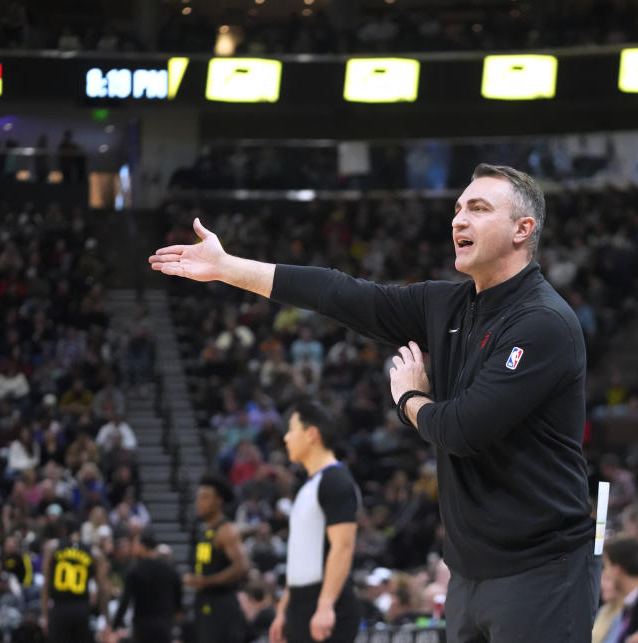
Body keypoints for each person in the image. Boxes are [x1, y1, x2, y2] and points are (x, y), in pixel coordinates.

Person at [150, 164, 595, 641]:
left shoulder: (542, 322)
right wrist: (227, 268)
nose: (459, 220)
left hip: (543, 572)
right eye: (459, 208)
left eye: (479, 209)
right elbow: (342, 294)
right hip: (470, 573)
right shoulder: (447, 304)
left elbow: (465, 430)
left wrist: (409, 398)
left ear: (522, 230)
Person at [269, 401, 361, 643]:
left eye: (291, 430)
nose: (286, 438)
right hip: (301, 605)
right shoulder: (308, 486)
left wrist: (325, 605)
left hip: (327, 605)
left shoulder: (336, 481)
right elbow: (300, 555)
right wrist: (283, 609)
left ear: (311, 434)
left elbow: (343, 546)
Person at [184, 473, 249, 643]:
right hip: (205, 601)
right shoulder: (206, 530)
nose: (199, 502)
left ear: (219, 501)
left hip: (222, 604)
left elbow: (242, 566)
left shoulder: (225, 530)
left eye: (205, 497)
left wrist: (207, 581)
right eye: (199, 497)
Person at [106, 531, 182, 643]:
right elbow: (178, 602)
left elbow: (125, 601)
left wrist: (115, 626)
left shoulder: (135, 570)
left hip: (143, 625)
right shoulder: (170, 570)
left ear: (142, 547)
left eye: (136, 545)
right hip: (164, 625)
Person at [41, 520, 108, 643]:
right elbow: (103, 588)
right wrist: (105, 619)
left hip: (59, 607)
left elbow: (45, 585)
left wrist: (44, 616)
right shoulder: (94, 552)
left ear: (63, 530)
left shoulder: (53, 547)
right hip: (82, 608)